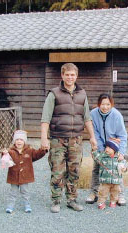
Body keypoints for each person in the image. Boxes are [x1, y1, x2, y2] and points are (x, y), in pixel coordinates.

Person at [40, 63, 97, 213]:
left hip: (76, 140)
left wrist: (92, 137)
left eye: (73, 75)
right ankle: (56, 200)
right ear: (62, 76)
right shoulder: (54, 94)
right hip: (57, 139)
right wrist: (44, 138)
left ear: (76, 76)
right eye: (67, 75)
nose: (70, 77)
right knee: (57, 171)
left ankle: (72, 199)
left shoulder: (82, 94)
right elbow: (45, 118)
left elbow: (87, 118)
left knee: (74, 171)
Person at [86, 93, 128, 206]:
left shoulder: (117, 115)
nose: (105, 107)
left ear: (111, 104)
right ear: (99, 104)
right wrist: (100, 149)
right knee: (96, 169)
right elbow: (94, 132)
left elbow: (122, 135)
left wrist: (121, 152)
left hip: (114, 146)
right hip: (99, 146)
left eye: (108, 104)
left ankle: (120, 194)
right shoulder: (93, 114)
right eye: (103, 104)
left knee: (117, 169)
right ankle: (94, 193)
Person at [2, 130, 47, 214]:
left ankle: (27, 205)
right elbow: (5, 159)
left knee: (25, 192)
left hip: (25, 176)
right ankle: (10, 206)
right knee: (13, 192)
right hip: (14, 176)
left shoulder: (29, 151)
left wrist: (43, 150)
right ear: (14, 141)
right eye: (17, 139)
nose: (19, 141)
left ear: (24, 141)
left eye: (21, 140)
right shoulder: (11, 151)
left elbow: (37, 154)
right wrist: (4, 154)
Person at [91, 139, 128, 210]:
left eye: (109, 148)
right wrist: (94, 150)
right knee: (103, 192)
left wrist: (124, 168)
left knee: (115, 192)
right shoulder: (103, 156)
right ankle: (101, 202)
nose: (106, 149)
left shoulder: (119, 158)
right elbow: (96, 157)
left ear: (114, 149)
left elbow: (124, 165)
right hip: (105, 180)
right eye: (106, 147)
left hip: (116, 181)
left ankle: (113, 201)